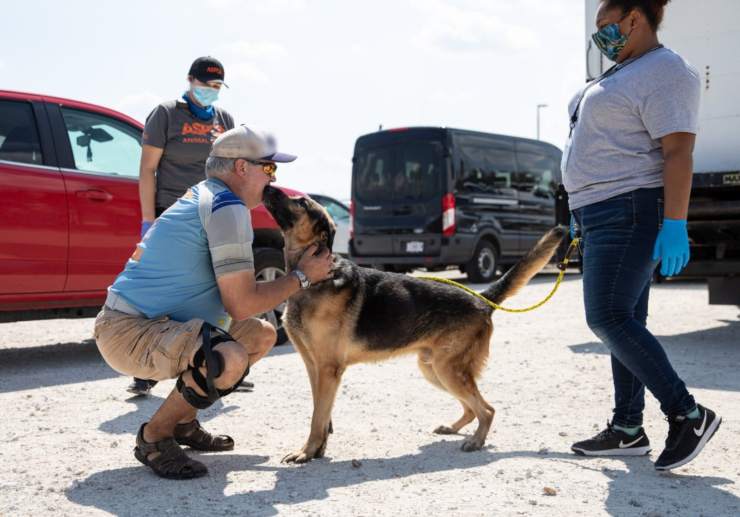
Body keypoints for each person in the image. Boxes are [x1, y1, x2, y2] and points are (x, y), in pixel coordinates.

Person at [94, 126, 334, 479]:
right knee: (228, 358)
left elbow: (239, 308)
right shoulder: (226, 208)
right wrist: (302, 277)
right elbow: (240, 303)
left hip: (145, 322)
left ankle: (183, 424)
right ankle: (154, 436)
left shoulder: (209, 195)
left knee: (260, 335)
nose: (273, 179)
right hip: (130, 331)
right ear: (241, 168)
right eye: (268, 169)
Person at [563, 0, 721, 471]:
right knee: (626, 319)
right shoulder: (619, 73)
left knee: (608, 317)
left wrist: (675, 224)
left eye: (606, 26)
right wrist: (579, 207)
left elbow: (678, 153)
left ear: (635, 18)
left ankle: (688, 414)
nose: (601, 37)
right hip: (599, 212)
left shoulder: (667, 70)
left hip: (628, 209)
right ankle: (629, 429)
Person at [130, 56, 235, 396]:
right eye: (205, 85)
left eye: (217, 87)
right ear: (190, 80)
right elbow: (148, 170)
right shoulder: (166, 113)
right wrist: (149, 219)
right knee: (168, 290)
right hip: (172, 212)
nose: (210, 92)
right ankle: (145, 369)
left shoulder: (224, 119)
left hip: (213, 212)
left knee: (217, 287)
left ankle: (220, 360)